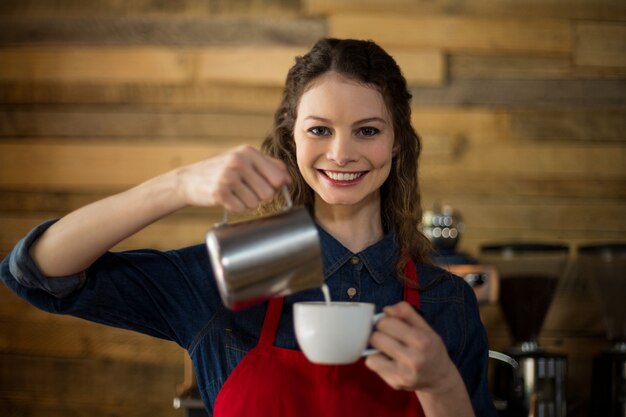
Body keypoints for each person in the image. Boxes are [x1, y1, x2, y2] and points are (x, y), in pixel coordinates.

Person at [1, 38, 497, 416]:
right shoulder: (245, 269)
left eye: (367, 130)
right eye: (319, 129)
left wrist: (440, 386)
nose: (341, 153)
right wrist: (179, 185)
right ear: (292, 138)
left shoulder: (445, 301)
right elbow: (40, 273)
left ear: (396, 143)